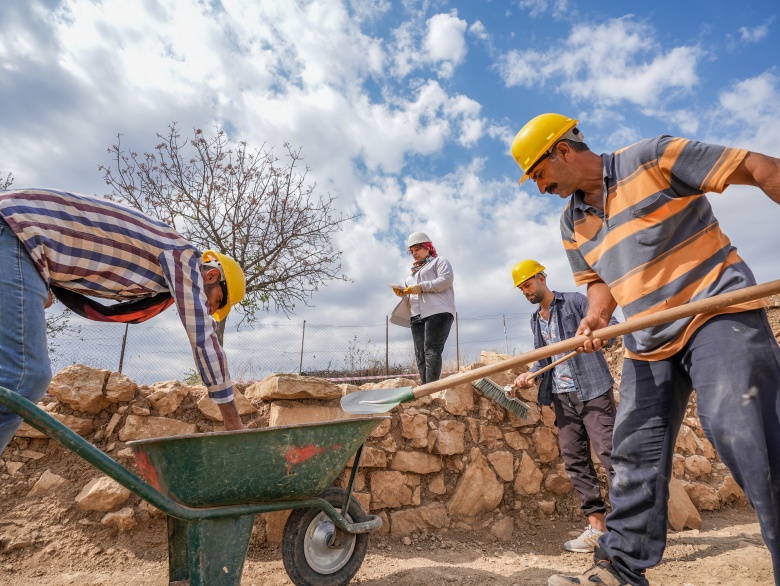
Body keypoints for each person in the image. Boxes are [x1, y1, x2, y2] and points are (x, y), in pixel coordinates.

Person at [510, 114, 780, 586]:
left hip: (714, 311)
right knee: (633, 453)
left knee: (741, 430)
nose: (539, 187)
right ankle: (619, 569)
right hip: (647, 338)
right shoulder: (571, 220)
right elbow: (599, 282)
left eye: (538, 174)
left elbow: (756, 165)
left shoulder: (651, 157)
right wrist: (595, 317)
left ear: (562, 151)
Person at [0, 188, 248, 454]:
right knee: (26, 378)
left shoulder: (157, 264)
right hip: (18, 235)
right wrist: (232, 420)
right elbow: (202, 337)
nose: (211, 310)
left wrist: (45, 281)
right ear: (211, 277)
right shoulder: (184, 257)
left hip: (21, 240)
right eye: (217, 301)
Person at [511, 259, 616, 554]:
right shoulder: (535, 319)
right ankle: (597, 528)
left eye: (528, 285)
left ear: (542, 278)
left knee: (610, 454)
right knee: (574, 459)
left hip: (593, 389)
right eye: (521, 289)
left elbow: (611, 326)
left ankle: (629, 528)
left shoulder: (575, 301)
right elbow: (544, 358)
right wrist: (530, 374)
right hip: (562, 396)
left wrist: (597, 339)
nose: (525, 291)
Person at [390, 232, 455, 384]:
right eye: (411, 251)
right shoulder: (411, 275)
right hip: (416, 315)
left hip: (438, 311)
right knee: (420, 354)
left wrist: (421, 287)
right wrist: (403, 294)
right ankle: (425, 389)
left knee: (431, 350)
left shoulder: (439, 261)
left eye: (417, 249)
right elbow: (416, 295)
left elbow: (446, 280)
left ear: (427, 247)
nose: (414, 254)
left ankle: (432, 388)